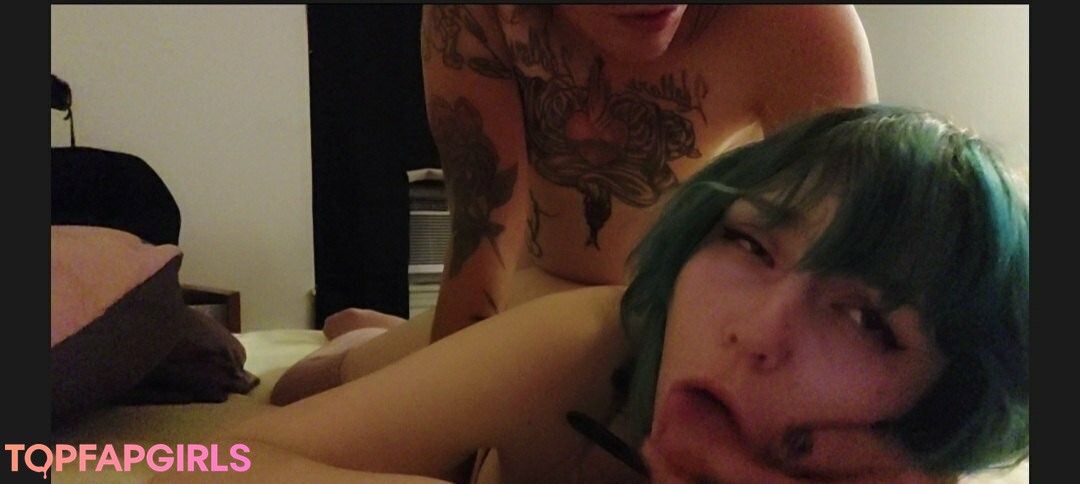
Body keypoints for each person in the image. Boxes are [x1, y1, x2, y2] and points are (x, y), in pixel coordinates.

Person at [156, 105, 1029, 483]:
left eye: (865, 318)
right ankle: (363, 335)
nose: (758, 329)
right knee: (312, 377)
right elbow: (212, 461)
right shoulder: (589, 344)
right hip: (532, 329)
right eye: (749, 244)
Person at [279, 4, 880, 402]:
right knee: (296, 390)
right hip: (531, 294)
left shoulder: (803, 24)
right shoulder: (479, 14)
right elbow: (481, 237)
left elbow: (846, 273)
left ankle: (375, 331)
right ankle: (363, 341)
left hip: (678, 321)